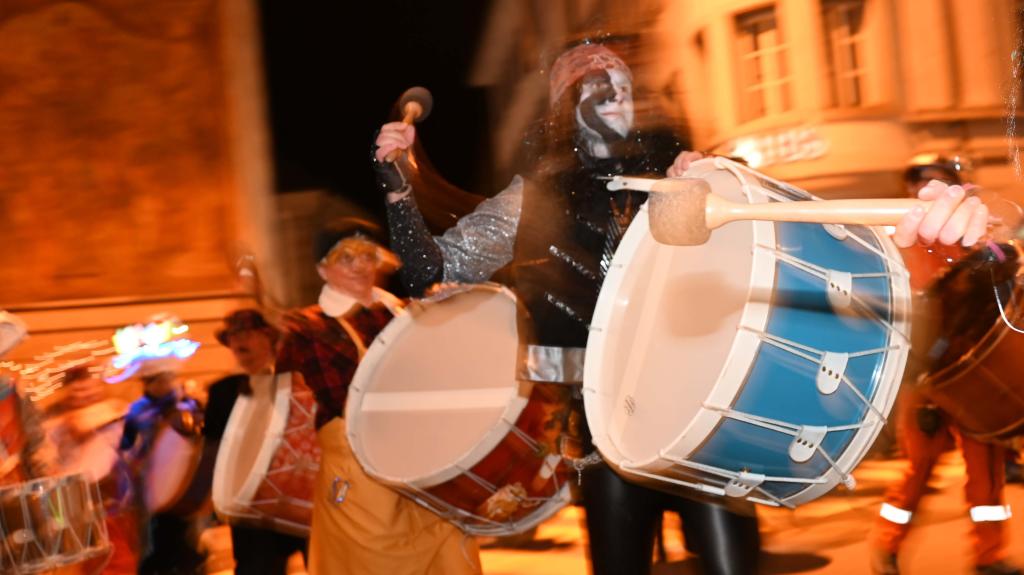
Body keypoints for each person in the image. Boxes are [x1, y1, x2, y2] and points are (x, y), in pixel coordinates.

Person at [376, 40, 765, 575]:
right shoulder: (532, 200)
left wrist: (720, 176)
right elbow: (429, 273)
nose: (619, 98)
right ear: (566, 107)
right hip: (606, 426)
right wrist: (397, 188)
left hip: (698, 411)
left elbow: (753, 227)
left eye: (625, 87)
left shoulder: (677, 177)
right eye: (600, 90)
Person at [273, 218, 481, 575]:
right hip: (360, 471)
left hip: (425, 464)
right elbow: (340, 399)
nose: (360, 265)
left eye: (368, 256)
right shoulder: (308, 327)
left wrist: (446, 315)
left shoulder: (405, 312)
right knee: (374, 562)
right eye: (346, 257)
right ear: (323, 269)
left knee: (450, 552)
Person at [869, 160, 1020, 575]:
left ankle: (989, 556)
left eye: (938, 183)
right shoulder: (896, 242)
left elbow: (999, 277)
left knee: (986, 475)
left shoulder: (973, 233)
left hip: (972, 374)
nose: (927, 191)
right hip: (927, 382)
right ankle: (887, 546)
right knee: (919, 472)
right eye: (920, 185)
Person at [209, 309, 308, 575]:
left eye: (247, 333)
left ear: (268, 338)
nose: (239, 341)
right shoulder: (223, 392)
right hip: (252, 506)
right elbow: (215, 449)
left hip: (300, 497)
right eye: (233, 336)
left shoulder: (297, 381)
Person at [116, 319, 206, 575]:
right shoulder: (137, 410)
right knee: (156, 543)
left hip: (184, 486)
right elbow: (126, 446)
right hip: (151, 486)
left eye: (169, 377)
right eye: (159, 379)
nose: (166, 383)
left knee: (186, 539)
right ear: (147, 381)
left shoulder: (188, 405)